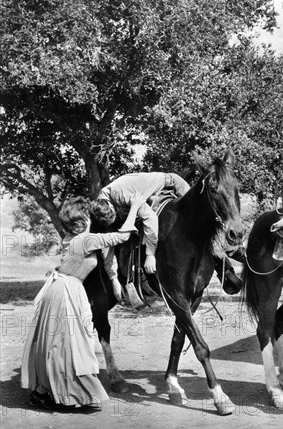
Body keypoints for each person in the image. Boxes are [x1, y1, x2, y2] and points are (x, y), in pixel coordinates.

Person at [21, 194, 145, 409]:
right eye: (89, 215)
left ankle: (45, 392)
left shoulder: (72, 239)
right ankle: (57, 393)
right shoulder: (87, 240)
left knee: (59, 344)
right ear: (85, 220)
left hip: (62, 288)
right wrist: (134, 207)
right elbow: (122, 237)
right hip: (66, 291)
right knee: (66, 344)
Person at [89, 172, 242, 296]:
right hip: (143, 198)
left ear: (111, 206)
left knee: (198, 225)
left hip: (172, 184)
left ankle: (225, 268)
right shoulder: (101, 211)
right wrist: (113, 278)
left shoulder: (123, 195)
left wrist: (150, 255)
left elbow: (150, 218)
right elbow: (107, 244)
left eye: (115, 215)